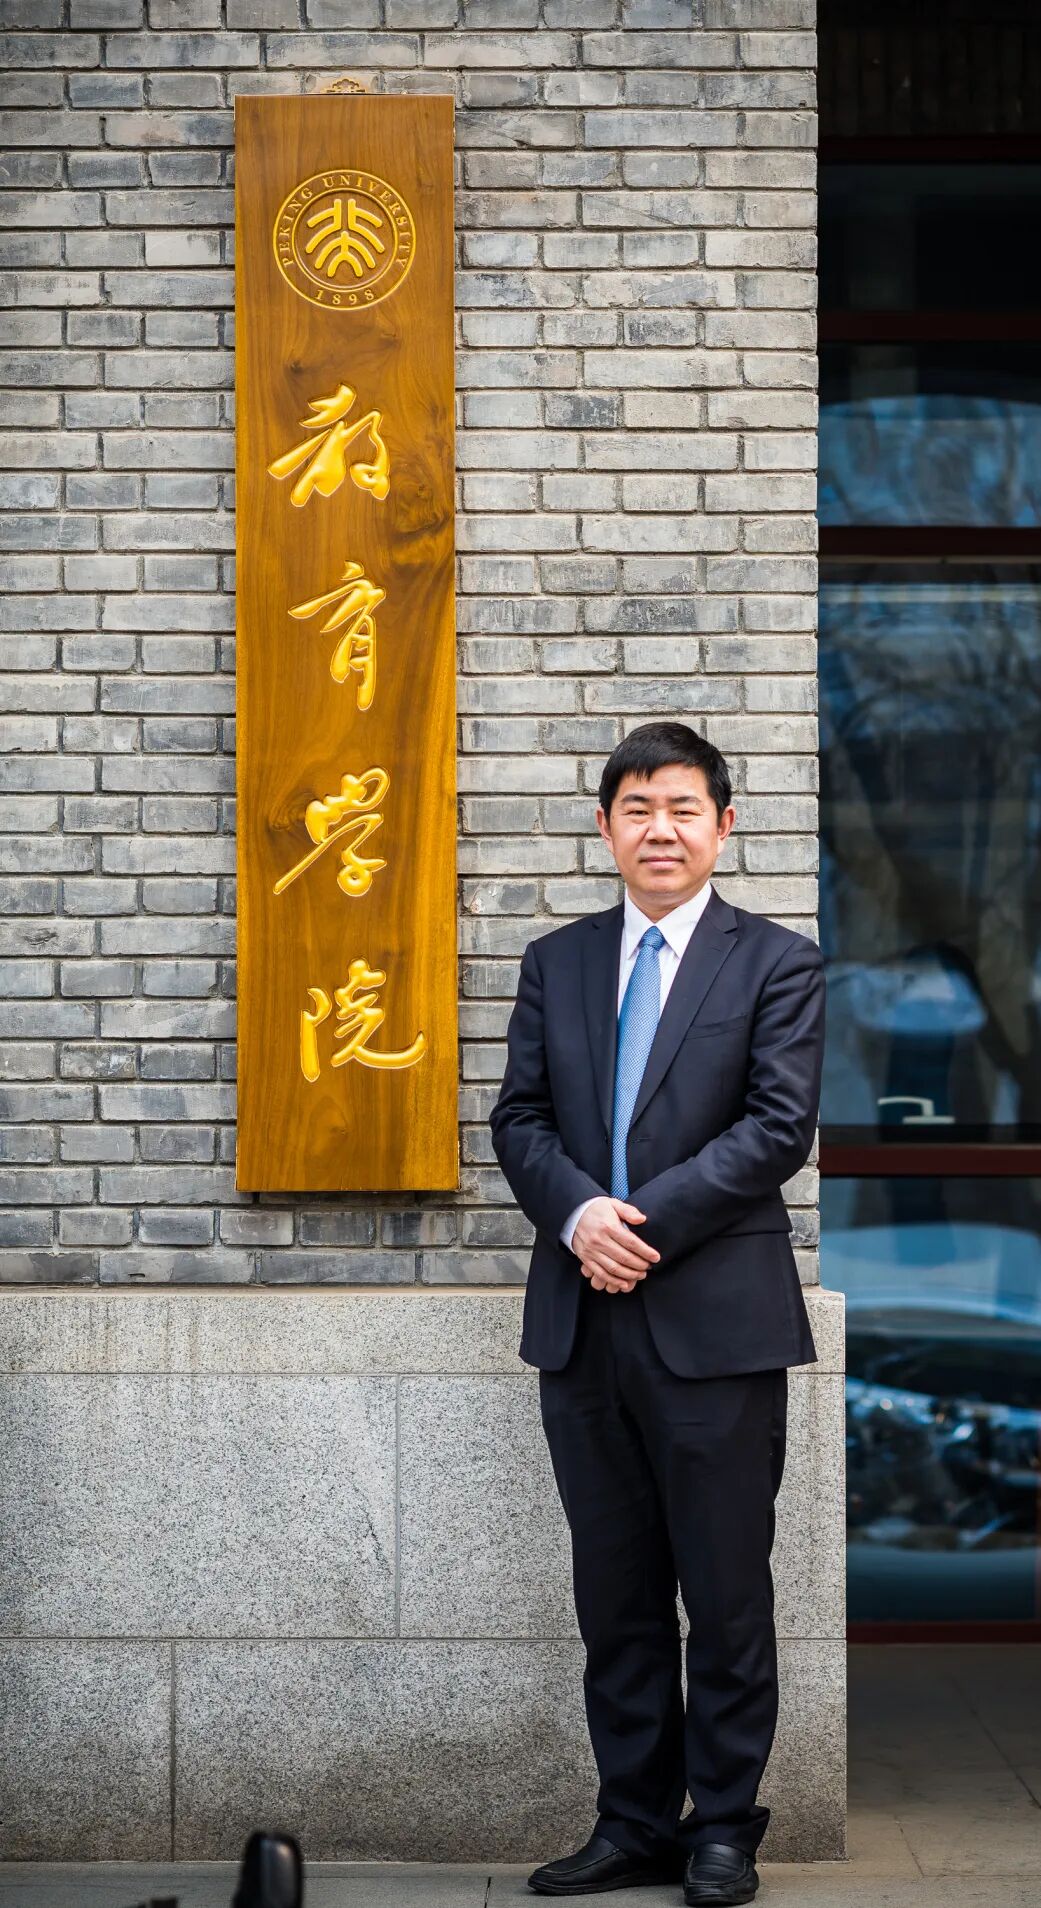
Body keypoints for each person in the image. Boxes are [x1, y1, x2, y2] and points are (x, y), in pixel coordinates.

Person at [489, 722, 826, 1906]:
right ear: (606, 828)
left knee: (726, 1593)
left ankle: (723, 1826)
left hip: (716, 1325)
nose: (660, 829)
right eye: (637, 809)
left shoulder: (777, 963)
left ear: (723, 826)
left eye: (683, 808)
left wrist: (636, 1223)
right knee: (617, 1593)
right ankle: (633, 1820)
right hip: (584, 1321)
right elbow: (519, 1119)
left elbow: (777, 1127)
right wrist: (579, 1216)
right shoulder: (559, 962)